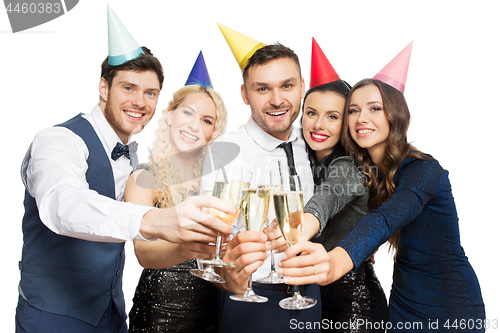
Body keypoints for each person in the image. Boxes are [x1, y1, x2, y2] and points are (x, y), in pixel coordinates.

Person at [15, 9, 232, 333]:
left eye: (150, 93)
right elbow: (63, 204)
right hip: (52, 316)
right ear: (104, 87)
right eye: (128, 88)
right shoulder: (58, 139)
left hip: (112, 316)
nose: (139, 101)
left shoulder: (133, 159)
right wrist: (156, 220)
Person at [279, 43, 485, 332]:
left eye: (375, 108)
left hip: (450, 302)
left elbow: (384, 220)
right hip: (403, 300)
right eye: (353, 110)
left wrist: (336, 262)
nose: (362, 118)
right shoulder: (369, 172)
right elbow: (334, 200)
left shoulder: (424, 171)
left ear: (395, 115)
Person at [200, 24, 321, 333]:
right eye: (262, 88)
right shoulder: (225, 151)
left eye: (287, 86)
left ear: (302, 87)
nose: (277, 99)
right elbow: (209, 240)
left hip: (310, 295)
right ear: (245, 94)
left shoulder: (315, 144)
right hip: (250, 299)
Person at [288, 38, 387, 331]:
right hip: (318, 298)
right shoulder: (302, 158)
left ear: (347, 123)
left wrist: (296, 229)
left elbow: (326, 200)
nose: (318, 125)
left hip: (354, 304)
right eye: (311, 113)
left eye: (333, 117)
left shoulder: (350, 166)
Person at [125, 52, 229, 333]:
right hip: (158, 316)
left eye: (207, 121)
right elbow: (144, 252)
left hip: (210, 316)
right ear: (170, 115)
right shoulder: (144, 178)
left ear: (212, 132)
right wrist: (186, 248)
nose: (195, 125)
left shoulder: (216, 183)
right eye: (188, 112)